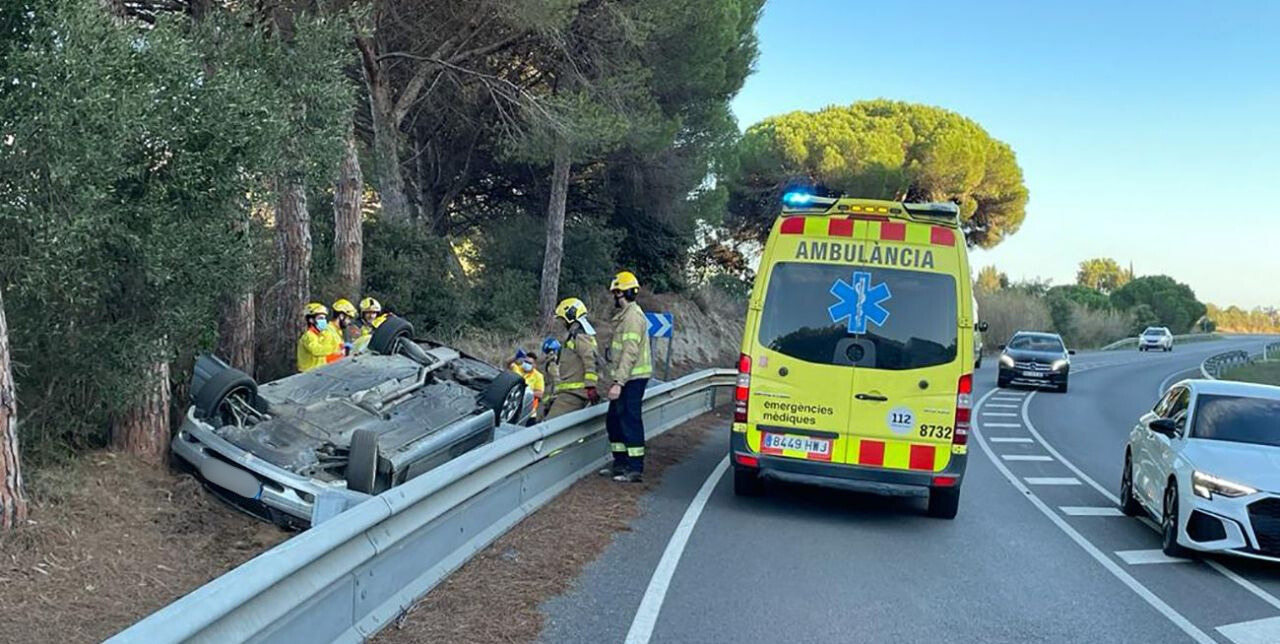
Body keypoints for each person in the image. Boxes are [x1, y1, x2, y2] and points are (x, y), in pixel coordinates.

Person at [602, 271, 652, 483]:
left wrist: (619, 383)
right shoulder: (625, 317)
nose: (614, 297)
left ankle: (634, 468)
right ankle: (620, 463)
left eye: (616, 293)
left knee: (629, 420)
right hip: (626, 378)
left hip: (632, 379)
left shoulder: (632, 317)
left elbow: (630, 353)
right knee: (614, 420)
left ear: (623, 293)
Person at [544, 298, 600, 421]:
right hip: (570, 392)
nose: (562, 323)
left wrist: (591, 386)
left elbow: (590, 360)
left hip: (574, 394)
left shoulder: (580, 336)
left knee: (549, 426)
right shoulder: (575, 336)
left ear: (570, 315)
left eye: (563, 319)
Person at [297, 302, 342, 373]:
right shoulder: (308, 336)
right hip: (307, 375)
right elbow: (316, 351)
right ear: (311, 320)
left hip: (319, 373)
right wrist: (334, 347)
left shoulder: (320, 335)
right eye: (320, 318)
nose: (324, 321)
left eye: (324, 318)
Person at [510, 349, 546, 415]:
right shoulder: (517, 368)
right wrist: (516, 356)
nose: (527, 364)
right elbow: (507, 363)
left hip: (528, 412)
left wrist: (526, 392)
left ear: (534, 365)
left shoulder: (538, 376)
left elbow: (541, 394)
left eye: (529, 363)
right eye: (526, 362)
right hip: (512, 407)